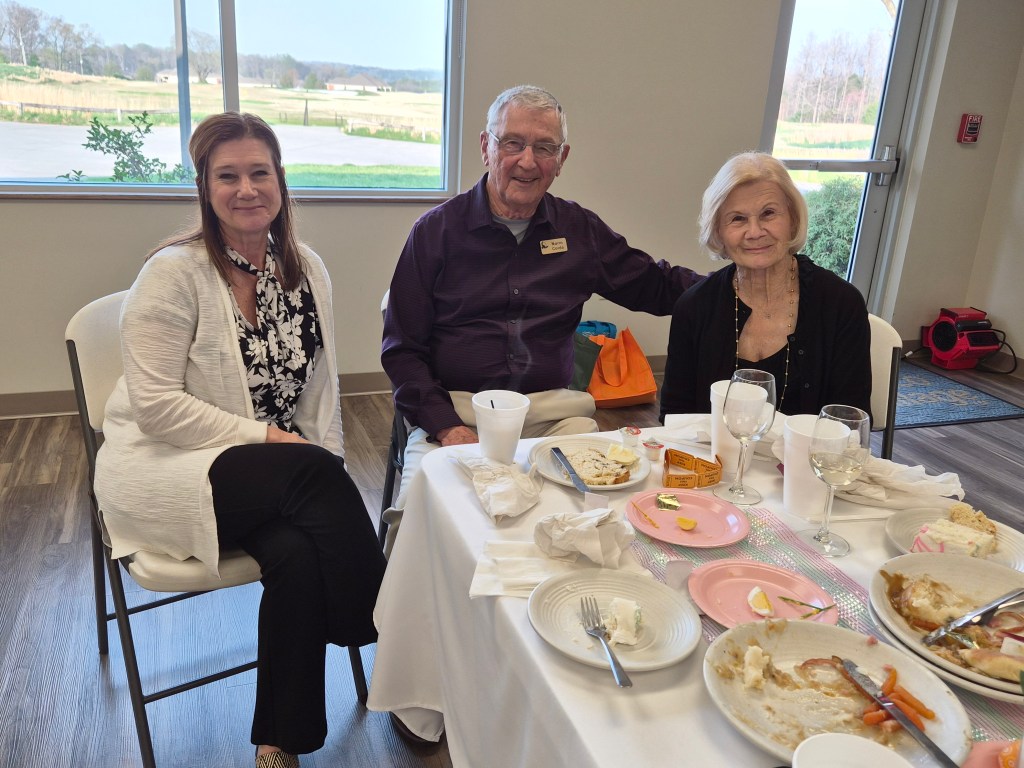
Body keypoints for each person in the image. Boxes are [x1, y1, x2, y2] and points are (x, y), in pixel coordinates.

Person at [93, 112, 386, 768]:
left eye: (260, 172)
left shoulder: (305, 269)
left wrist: (311, 457)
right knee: (313, 474)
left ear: (281, 180)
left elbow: (322, 396)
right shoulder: (173, 274)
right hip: (169, 466)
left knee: (298, 550)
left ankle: (280, 738)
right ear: (204, 186)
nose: (247, 188)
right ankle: (378, 625)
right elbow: (157, 409)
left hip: (275, 476)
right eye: (228, 176)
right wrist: (274, 441)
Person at [381, 84, 703, 550]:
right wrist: (447, 426)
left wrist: (735, 285)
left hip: (554, 416)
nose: (527, 162)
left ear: (562, 158)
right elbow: (402, 350)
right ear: (486, 146)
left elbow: (656, 284)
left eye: (544, 148)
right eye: (512, 143)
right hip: (457, 411)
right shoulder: (435, 233)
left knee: (593, 521)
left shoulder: (580, 231)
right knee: (419, 526)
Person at [659, 151, 871, 421]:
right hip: (712, 450)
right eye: (737, 218)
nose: (755, 232)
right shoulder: (693, 306)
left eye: (768, 214)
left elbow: (850, 420)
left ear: (793, 219)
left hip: (809, 449)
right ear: (718, 231)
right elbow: (675, 417)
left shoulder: (841, 303)